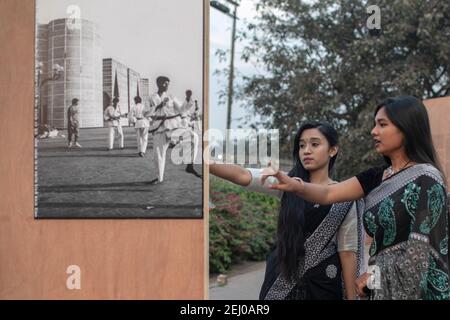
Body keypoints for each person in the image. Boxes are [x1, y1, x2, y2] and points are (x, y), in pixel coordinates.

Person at [263, 96, 449, 300]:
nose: (373, 131)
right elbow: (329, 193)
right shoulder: (377, 176)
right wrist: (294, 185)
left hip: (418, 290)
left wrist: (372, 279)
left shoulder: (427, 179)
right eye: (374, 124)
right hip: (379, 288)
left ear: (406, 128)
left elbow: (419, 251)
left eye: (382, 124)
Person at [210, 121, 363, 300]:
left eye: (314, 144)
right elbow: (243, 175)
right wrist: (204, 162)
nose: (306, 150)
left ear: (332, 150)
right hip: (281, 281)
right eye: (301, 145)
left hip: (323, 286)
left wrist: (353, 298)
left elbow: (347, 251)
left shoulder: (343, 195)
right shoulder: (286, 183)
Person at [148, 76, 200, 184]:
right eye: (165, 84)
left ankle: (190, 165)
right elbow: (147, 113)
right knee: (158, 155)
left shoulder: (171, 96)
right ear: (158, 84)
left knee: (193, 136)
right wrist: (158, 106)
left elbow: (181, 109)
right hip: (159, 128)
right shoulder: (151, 97)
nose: (167, 86)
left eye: (168, 84)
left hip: (173, 126)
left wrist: (188, 98)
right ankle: (159, 178)